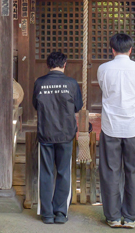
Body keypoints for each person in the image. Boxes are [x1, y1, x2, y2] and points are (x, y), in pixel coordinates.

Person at [98, 33, 135, 229]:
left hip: (110, 125)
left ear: (112, 50)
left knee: (110, 171)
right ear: (130, 50)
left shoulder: (103, 69)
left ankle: (112, 216)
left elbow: (103, 89)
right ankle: (131, 217)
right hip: (134, 124)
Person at [32, 51, 83, 224]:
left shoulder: (40, 83)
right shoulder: (71, 83)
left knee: (45, 173)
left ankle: (47, 214)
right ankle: (60, 213)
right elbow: (77, 107)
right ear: (64, 64)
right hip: (65, 134)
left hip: (45, 133)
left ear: (48, 65)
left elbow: (35, 104)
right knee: (63, 172)